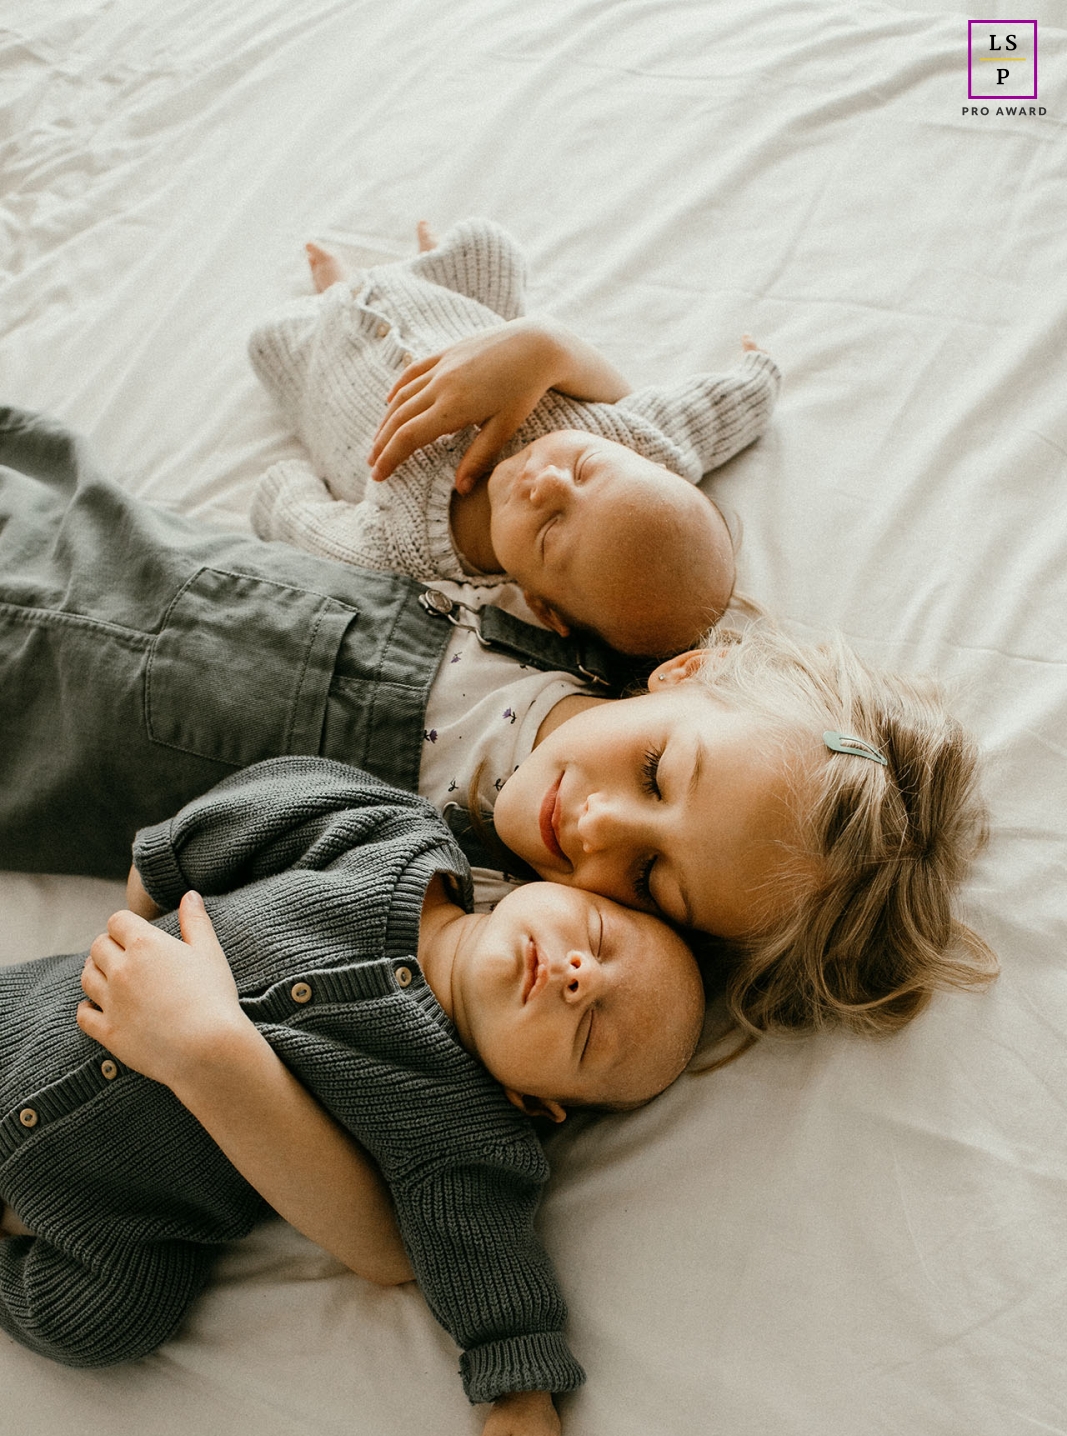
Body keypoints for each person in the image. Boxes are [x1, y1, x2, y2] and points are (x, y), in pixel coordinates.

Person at [0, 372, 993, 1045]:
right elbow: (605, 449)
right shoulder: (576, 613)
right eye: (655, 772)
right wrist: (538, 351)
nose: (600, 826)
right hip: (65, 536)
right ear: (684, 673)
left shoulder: (469, 911)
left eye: (651, 878)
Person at [0, 756, 704, 1436]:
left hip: (119, 1217)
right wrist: (152, 893)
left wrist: (522, 1383)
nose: (579, 976)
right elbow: (272, 802)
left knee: (106, 1323)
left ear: (537, 1102)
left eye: (590, 1035)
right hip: (34, 1020)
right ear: (545, 888)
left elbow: (485, 1254)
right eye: (595, 933)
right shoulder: (397, 840)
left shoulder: (463, 1126)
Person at [247, 218, 781, 657]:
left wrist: (289, 486)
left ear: (542, 607)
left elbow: (299, 520)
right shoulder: (633, 441)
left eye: (549, 531)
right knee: (487, 245)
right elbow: (709, 416)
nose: (546, 481)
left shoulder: (404, 550)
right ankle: (422, 268)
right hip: (456, 313)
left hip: (327, 361)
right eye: (584, 469)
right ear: (648, 463)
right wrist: (758, 375)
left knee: (268, 341)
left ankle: (335, 289)